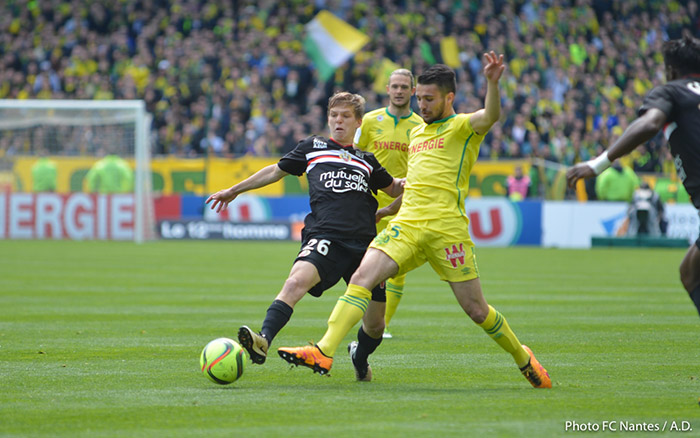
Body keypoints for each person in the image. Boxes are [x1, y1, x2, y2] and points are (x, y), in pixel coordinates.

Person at [278, 56, 552, 388]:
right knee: (362, 276)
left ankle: (523, 358)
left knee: (477, 310)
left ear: (449, 98)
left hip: (446, 229)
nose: (421, 105)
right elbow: (417, 183)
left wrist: (493, 83)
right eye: (418, 98)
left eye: (428, 99)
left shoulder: (463, 127)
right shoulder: (418, 135)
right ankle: (323, 350)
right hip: (406, 224)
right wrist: (388, 210)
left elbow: (491, 115)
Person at [206, 92, 404, 368]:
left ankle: (359, 356)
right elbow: (275, 171)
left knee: (375, 326)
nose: (338, 121)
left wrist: (407, 189)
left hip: (365, 244)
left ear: (359, 122)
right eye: (334, 115)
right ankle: (263, 339)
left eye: (346, 116)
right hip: (325, 235)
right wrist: (234, 190)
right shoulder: (314, 146)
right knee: (295, 282)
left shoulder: (367, 160)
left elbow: (395, 188)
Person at [566, 35, 700, 317]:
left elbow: (650, 122)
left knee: (691, 274)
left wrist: (598, 164)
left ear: (671, 69)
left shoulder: (672, 91)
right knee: (690, 271)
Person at [354, 68, 423, 339]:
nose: (399, 91)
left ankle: (381, 327)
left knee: (396, 269)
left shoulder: (420, 126)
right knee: (363, 266)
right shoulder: (370, 121)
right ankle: (364, 318)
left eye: (404, 87)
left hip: (404, 206)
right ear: (387, 89)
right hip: (368, 205)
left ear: (412, 91)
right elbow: (356, 156)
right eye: (395, 86)